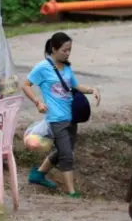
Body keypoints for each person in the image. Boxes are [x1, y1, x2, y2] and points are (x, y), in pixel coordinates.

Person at [21, 32, 101, 198]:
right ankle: (72, 192)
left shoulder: (67, 68)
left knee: (67, 150)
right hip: (55, 118)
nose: (68, 53)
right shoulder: (43, 67)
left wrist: (93, 90)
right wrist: (37, 102)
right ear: (54, 49)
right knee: (66, 155)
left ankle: (39, 174)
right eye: (65, 50)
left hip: (71, 116)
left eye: (70, 50)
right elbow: (26, 85)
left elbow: (76, 86)